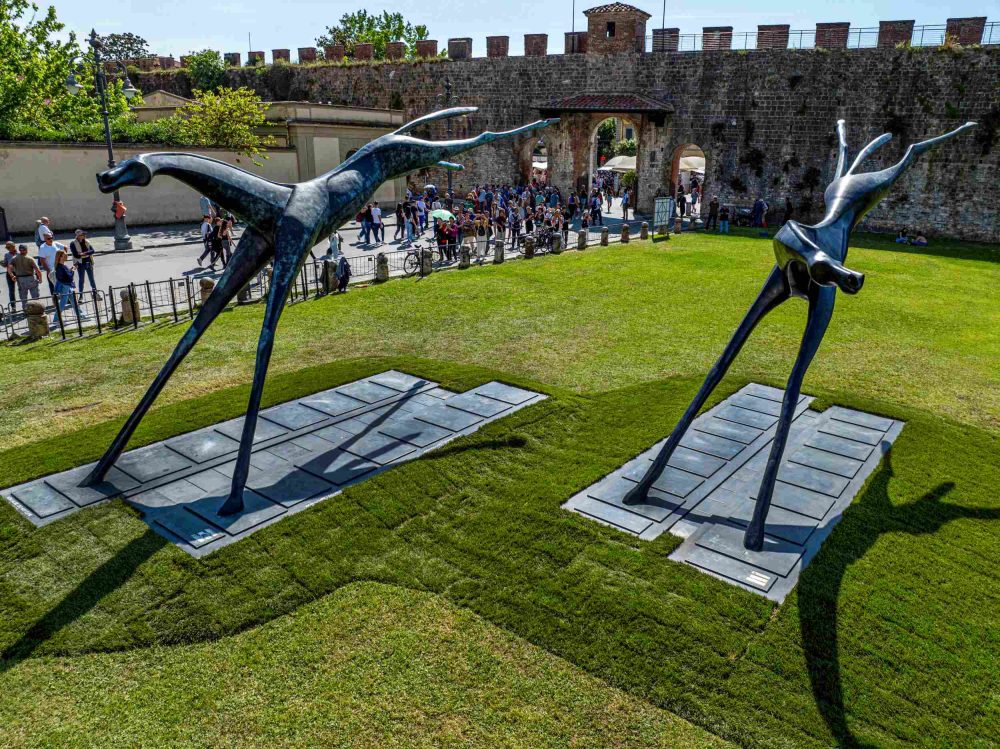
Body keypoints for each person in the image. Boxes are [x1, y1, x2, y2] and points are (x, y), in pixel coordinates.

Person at [51, 248, 85, 325]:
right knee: (63, 303)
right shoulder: (60, 267)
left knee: (74, 302)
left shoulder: (62, 266)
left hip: (67, 286)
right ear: (60, 257)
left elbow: (66, 275)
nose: (67, 256)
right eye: (65, 255)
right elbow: (68, 277)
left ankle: (81, 316)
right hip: (65, 286)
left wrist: (71, 269)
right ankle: (56, 319)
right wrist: (73, 270)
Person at [9, 244, 41, 308]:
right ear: (26, 250)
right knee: (35, 297)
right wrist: (40, 278)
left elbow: (9, 268)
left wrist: (12, 276)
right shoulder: (30, 258)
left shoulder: (14, 258)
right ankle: (36, 310)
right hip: (31, 278)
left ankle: (25, 311)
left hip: (20, 279)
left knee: (23, 298)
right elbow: (37, 270)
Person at [2, 241, 17, 305]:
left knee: (22, 290)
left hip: (19, 272)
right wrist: (2, 263)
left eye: (9, 247)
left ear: (14, 246)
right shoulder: (7, 255)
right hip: (10, 273)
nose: (8, 249)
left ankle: (24, 305)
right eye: (7, 248)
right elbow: (5, 264)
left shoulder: (19, 253)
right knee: (11, 291)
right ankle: (13, 306)